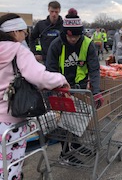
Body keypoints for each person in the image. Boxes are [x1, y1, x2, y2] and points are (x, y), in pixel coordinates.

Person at [0, 13, 69, 179]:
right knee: (11, 165)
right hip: (11, 118)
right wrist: (61, 79)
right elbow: (39, 77)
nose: (25, 36)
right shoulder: (18, 51)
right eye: (24, 32)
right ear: (15, 32)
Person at [46, 9, 101, 165]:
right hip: (61, 89)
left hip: (80, 88)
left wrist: (96, 92)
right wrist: (59, 88)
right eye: (70, 36)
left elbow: (94, 69)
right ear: (65, 33)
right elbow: (50, 69)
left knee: (78, 120)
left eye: (76, 36)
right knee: (64, 122)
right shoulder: (56, 45)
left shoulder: (87, 44)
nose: (73, 39)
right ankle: (65, 153)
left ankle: (76, 145)